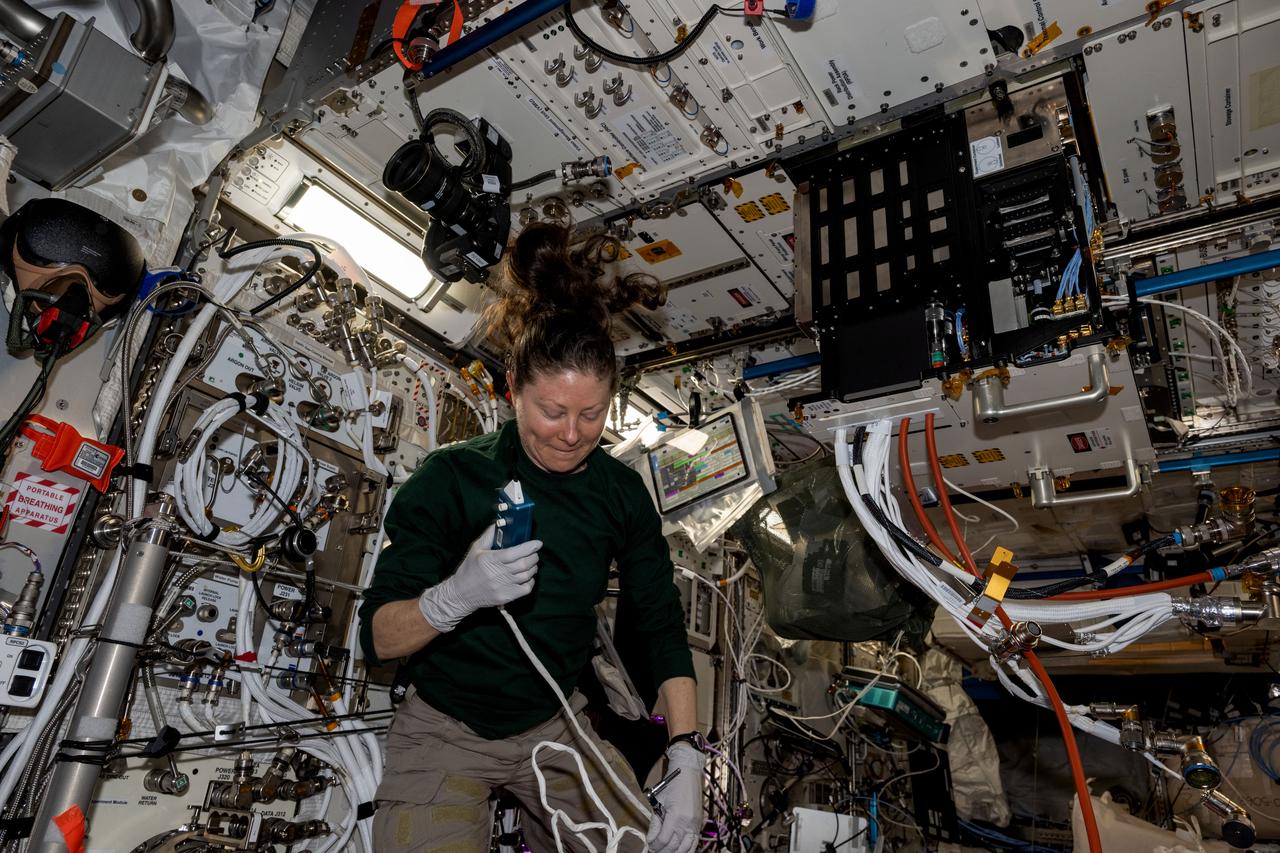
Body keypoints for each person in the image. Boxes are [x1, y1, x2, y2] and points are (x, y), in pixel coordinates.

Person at [360, 222, 705, 853]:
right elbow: (379, 637)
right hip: (446, 727)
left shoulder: (622, 495)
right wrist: (453, 599)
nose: (572, 434)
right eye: (552, 411)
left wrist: (686, 752)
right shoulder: (453, 478)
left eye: (591, 414)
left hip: (555, 722)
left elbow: (661, 625)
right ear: (513, 389)